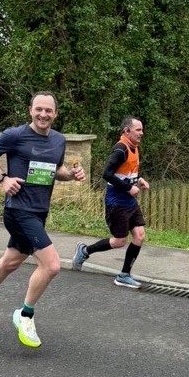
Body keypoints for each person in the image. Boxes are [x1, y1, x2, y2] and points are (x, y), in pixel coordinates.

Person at [0, 91, 85, 348]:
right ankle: (25, 315)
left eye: (48, 110)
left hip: (39, 211)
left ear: (55, 113)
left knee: (11, 262)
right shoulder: (15, 135)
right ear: (30, 110)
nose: (43, 114)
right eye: (38, 109)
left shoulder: (59, 140)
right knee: (51, 266)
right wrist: (2, 178)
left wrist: (71, 175)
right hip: (18, 210)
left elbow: (55, 171)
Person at [72, 115, 149, 289]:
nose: (141, 133)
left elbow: (126, 172)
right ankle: (85, 251)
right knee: (120, 241)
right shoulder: (120, 150)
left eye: (142, 129)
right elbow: (107, 174)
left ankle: (124, 275)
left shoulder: (134, 147)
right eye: (138, 130)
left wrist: (139, 180)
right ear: (126, 131)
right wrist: (129, 188)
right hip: (116, 202)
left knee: (139, 236)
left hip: (129, 201)